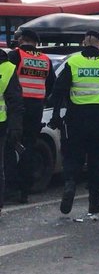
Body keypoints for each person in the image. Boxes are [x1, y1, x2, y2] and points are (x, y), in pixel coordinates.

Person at [50, 30, 99, 214]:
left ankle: (70, 183)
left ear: (83, 43)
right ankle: (94, 202)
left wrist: (56, 115)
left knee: (73, 155)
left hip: (76, 118)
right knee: (96, 159)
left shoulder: (73, 62)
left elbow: (58, 91)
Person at [7, 28, 55, 203]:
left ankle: (11, 188)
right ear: (36, 42)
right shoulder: (45, 60)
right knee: (28, 147)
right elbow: (51, 85)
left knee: (10, 148)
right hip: (37, 108)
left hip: (17, 108)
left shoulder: (16, 55)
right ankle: (24, 191)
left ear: (21, 40)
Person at [0, 49, 24, 216]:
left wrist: (15, 126)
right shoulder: (8, 68)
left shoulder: (8, 68)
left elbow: (14, 101)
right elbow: (15, 100)